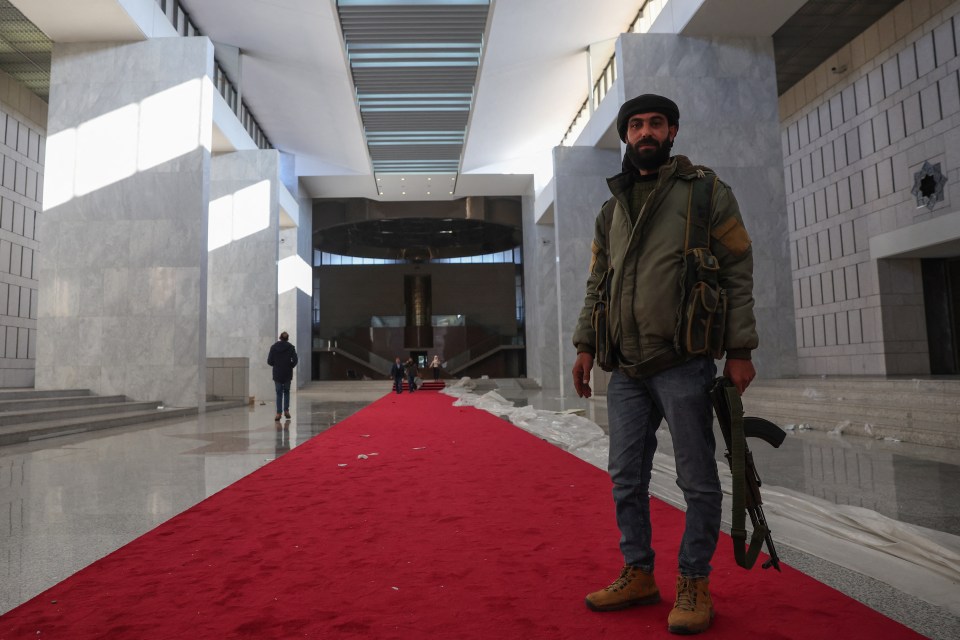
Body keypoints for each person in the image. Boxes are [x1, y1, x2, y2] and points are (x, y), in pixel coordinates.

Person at [571, 94, 757, 635]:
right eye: (635, 125)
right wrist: (585, 344)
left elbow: (737, 270)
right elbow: (596, 284)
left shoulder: (706, 193)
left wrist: (741, 350)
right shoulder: (612, 209)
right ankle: (638, 572)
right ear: (625, 137)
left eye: (655, 123)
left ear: (672, 131)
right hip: (625, 367)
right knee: (625, 476)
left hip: (683, 361)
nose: (645, 131)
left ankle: (694, 580)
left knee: (697, 479)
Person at [267, 331, 299, 421]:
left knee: (278, 393)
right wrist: (290, 366)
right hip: (287, 373)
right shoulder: (291, 347)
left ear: (280, 337)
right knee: (287, 392)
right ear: (287, 338)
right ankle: (286, 411)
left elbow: (269, 361)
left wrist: (276, 364)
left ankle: (278, 413)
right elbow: (295, 360)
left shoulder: (273, 347)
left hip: (277, 373)